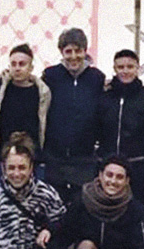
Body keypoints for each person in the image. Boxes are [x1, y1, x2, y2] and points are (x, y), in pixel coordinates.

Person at [41, 27, 104, 203]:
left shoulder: (96, 78)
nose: (74, 56)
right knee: (54, 206)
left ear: (85, 51)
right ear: (62, 52)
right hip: (55, 157)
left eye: (78, 51)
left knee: (81, 206)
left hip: (84, 158)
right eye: (68, 51)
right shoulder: (51, 76)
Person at [97, 48, 144, 207]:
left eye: (130, 67)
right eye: (120, 67)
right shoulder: (105, 97)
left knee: (135, 212)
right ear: (114, 69)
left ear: (138, 68)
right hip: (108, 168)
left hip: (138, 168)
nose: (125, 71)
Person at [0, 43, 51, 166]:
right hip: (1, 158)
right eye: (13, 64)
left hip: (31, 158)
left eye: (22, 64)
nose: (17, 68)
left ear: (31, 68)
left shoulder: (42, 92)